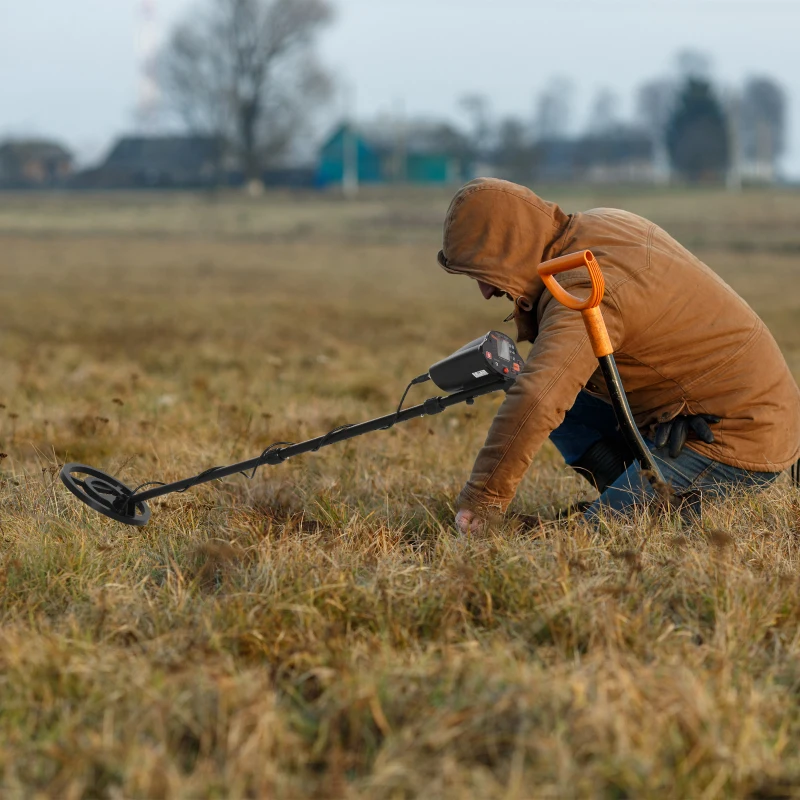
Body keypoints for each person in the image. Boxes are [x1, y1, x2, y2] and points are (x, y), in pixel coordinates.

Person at [436, 178, 800, 533]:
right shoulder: (599, 223)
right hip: (695, 408)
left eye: (484, 272)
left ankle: (636, 513)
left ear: (510, 248)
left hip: (735, 432)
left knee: (595, 540)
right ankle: (624, 494)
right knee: (562, 398)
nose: (485, 292)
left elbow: (539, 397)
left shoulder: (582, 286)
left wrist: (483, 500)